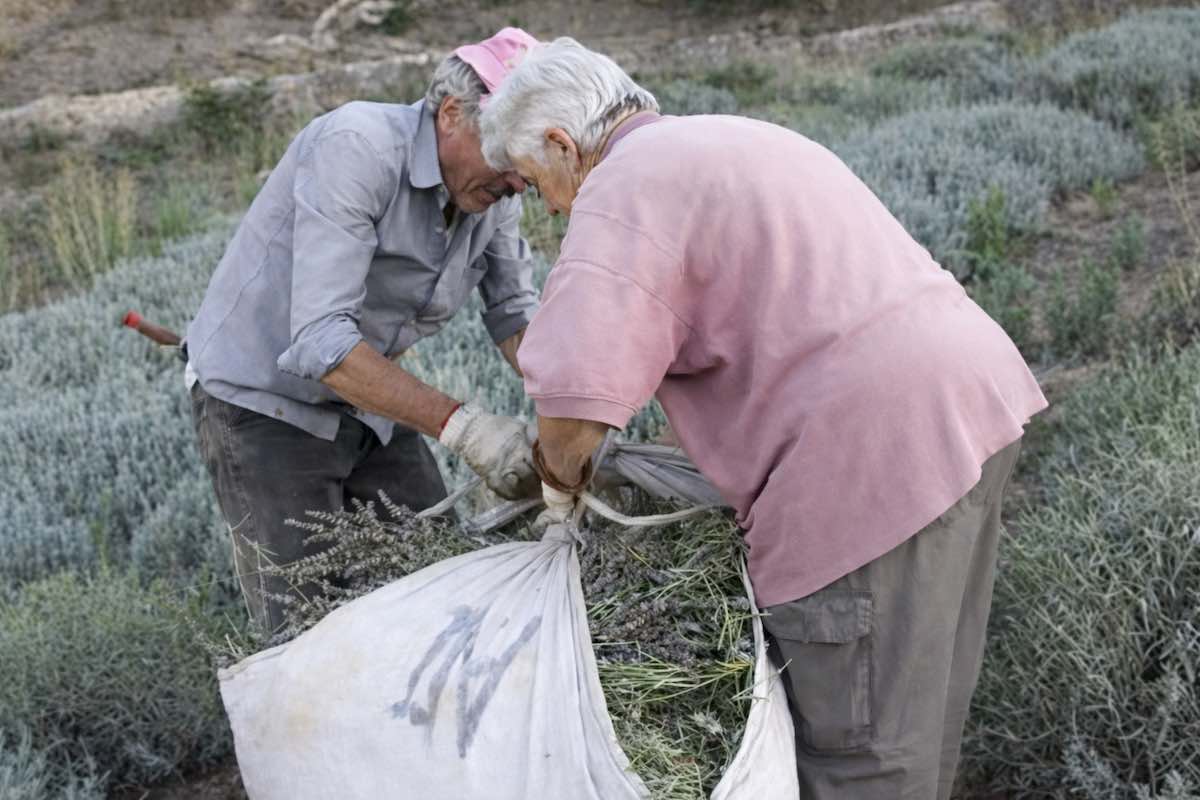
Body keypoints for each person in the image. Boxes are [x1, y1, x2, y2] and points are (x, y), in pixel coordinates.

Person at [478, 38, 1048, 799]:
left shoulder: (623, 186)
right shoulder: (735, 135)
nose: (548, 205)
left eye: (536, 182)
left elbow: (573, 410)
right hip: (971, 404)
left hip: (865, 462)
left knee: (859, 746)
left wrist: (554, 492)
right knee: (920, 700)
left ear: (561, 143)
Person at [185, 28, 543, 634]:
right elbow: (324, 342)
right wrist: (468, 429)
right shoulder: (358, 147)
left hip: (366, 399)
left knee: (437, 579)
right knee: (308, 628)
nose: (519, 182)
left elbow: (513, 311)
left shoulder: (492, 193)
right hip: (264, 406)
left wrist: (573, 413)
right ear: (452, 114)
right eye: (510, 157)